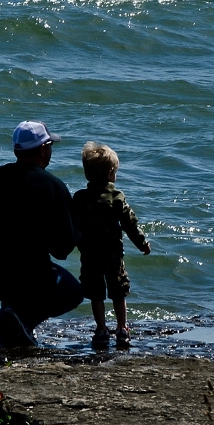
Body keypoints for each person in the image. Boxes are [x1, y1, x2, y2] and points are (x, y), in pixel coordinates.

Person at [0, 120, 84, 347]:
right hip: (24, 275)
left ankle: (12, 314)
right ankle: (22, 319)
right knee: (72, 291)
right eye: (50, 145)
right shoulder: (52, 186)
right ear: (42, 149)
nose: (51, 150)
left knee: (12, 266)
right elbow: (62, 249)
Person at [73, 141, 151, 348]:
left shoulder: (80, 198)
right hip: (113, 255)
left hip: (89, 255)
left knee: (96, 293)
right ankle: (122, 329)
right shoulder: (117, 197)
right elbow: (130, 223)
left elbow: (73, 225)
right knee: (118, 291)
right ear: (110, 174)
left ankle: (100, 329)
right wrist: (142, 243)